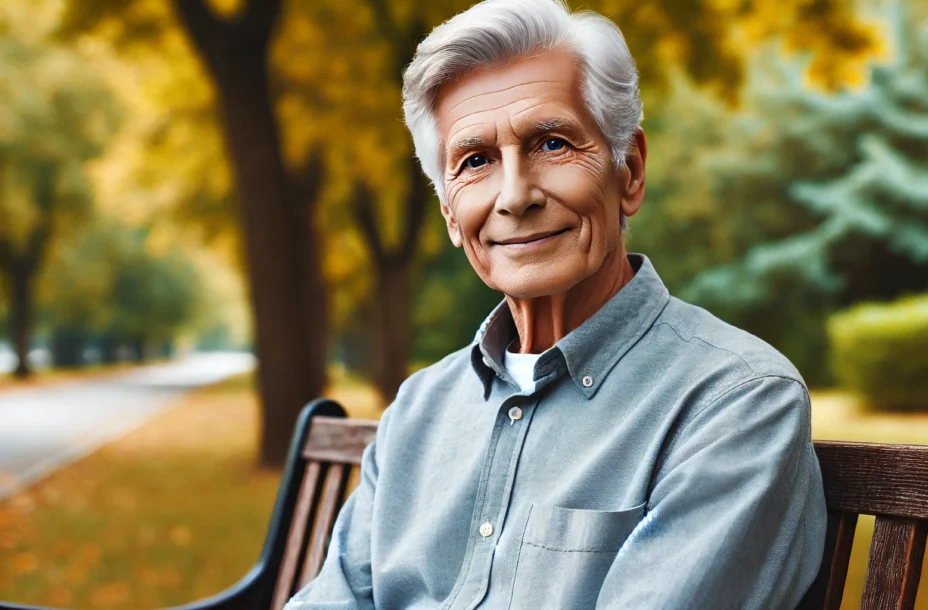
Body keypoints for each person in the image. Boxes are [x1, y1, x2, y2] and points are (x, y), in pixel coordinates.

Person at [286, 0, 826, 607]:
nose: (514, 196)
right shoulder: (417, 411)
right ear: (449, 213)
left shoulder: (736, 404)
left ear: (629, 171)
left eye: (551, 143)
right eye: (475, 161)